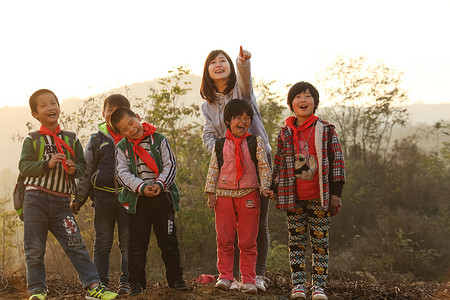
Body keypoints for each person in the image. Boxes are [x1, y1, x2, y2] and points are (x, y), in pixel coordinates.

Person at [18, 89, 118, 300]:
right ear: (35, 114)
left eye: (53, 103)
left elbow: (82, 167)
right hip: (35, 200)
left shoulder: (71, 139)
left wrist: (74, 170)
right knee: (34, 249)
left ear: (59, 107)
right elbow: (24, 166)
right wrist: (47, 164)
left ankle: (93, 287)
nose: (50, 107)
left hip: (62, 203)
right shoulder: (33, 139)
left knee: (76, 245)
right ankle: (37, 291)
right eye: (43, 105)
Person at [200, 46, 271, 292]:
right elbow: (208, 134)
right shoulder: (207, 105)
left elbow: (245, 79)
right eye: (213, 62)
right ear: (207, 71)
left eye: (223, 61)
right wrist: (221, 152)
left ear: (229, 67)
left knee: (256, 224)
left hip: (257, 160)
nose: (218, 64)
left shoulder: (241, 91)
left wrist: (243, 62)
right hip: (227, 168)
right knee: (230, 226)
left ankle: (255, 276)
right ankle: (231, 276)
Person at [271, 82, 345, 300]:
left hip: (319, 196)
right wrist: (273, 187)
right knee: (296, 242)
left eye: (308, 96)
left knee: (320, 243)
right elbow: (278, 164)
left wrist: (336, 192)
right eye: (298, 97)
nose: (303, 100)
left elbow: (337, 160)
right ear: (291, 103)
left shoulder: (326, 130)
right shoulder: (285, 133)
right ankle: (299, 286)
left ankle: (319, 287)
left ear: (315, 102)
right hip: (293, 197)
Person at [110, 107, 188, 296]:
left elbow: (170, 164)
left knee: (169, 242)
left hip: (162, 198)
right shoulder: (121, 149)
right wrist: (141, 187)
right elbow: (122, 174)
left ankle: (176, 280)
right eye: (124, 130)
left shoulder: (159, 140)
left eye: (131, 123)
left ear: (137, 117)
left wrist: (160, 184)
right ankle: (137, 284)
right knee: (137, 246)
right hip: (138, 202)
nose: (131, 130)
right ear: (120, 134)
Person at [71, 94, 130, 295]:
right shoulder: (97, 140)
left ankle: (127, 282)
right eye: (109, 110)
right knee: (103, 242)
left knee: (128, 242)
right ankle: (100, 283)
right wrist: (79, 198)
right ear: (103, 113)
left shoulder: (132, 136)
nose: (113, 114)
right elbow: (86, 171)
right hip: (103, 198)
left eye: (118, 110)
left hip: (128, 197)